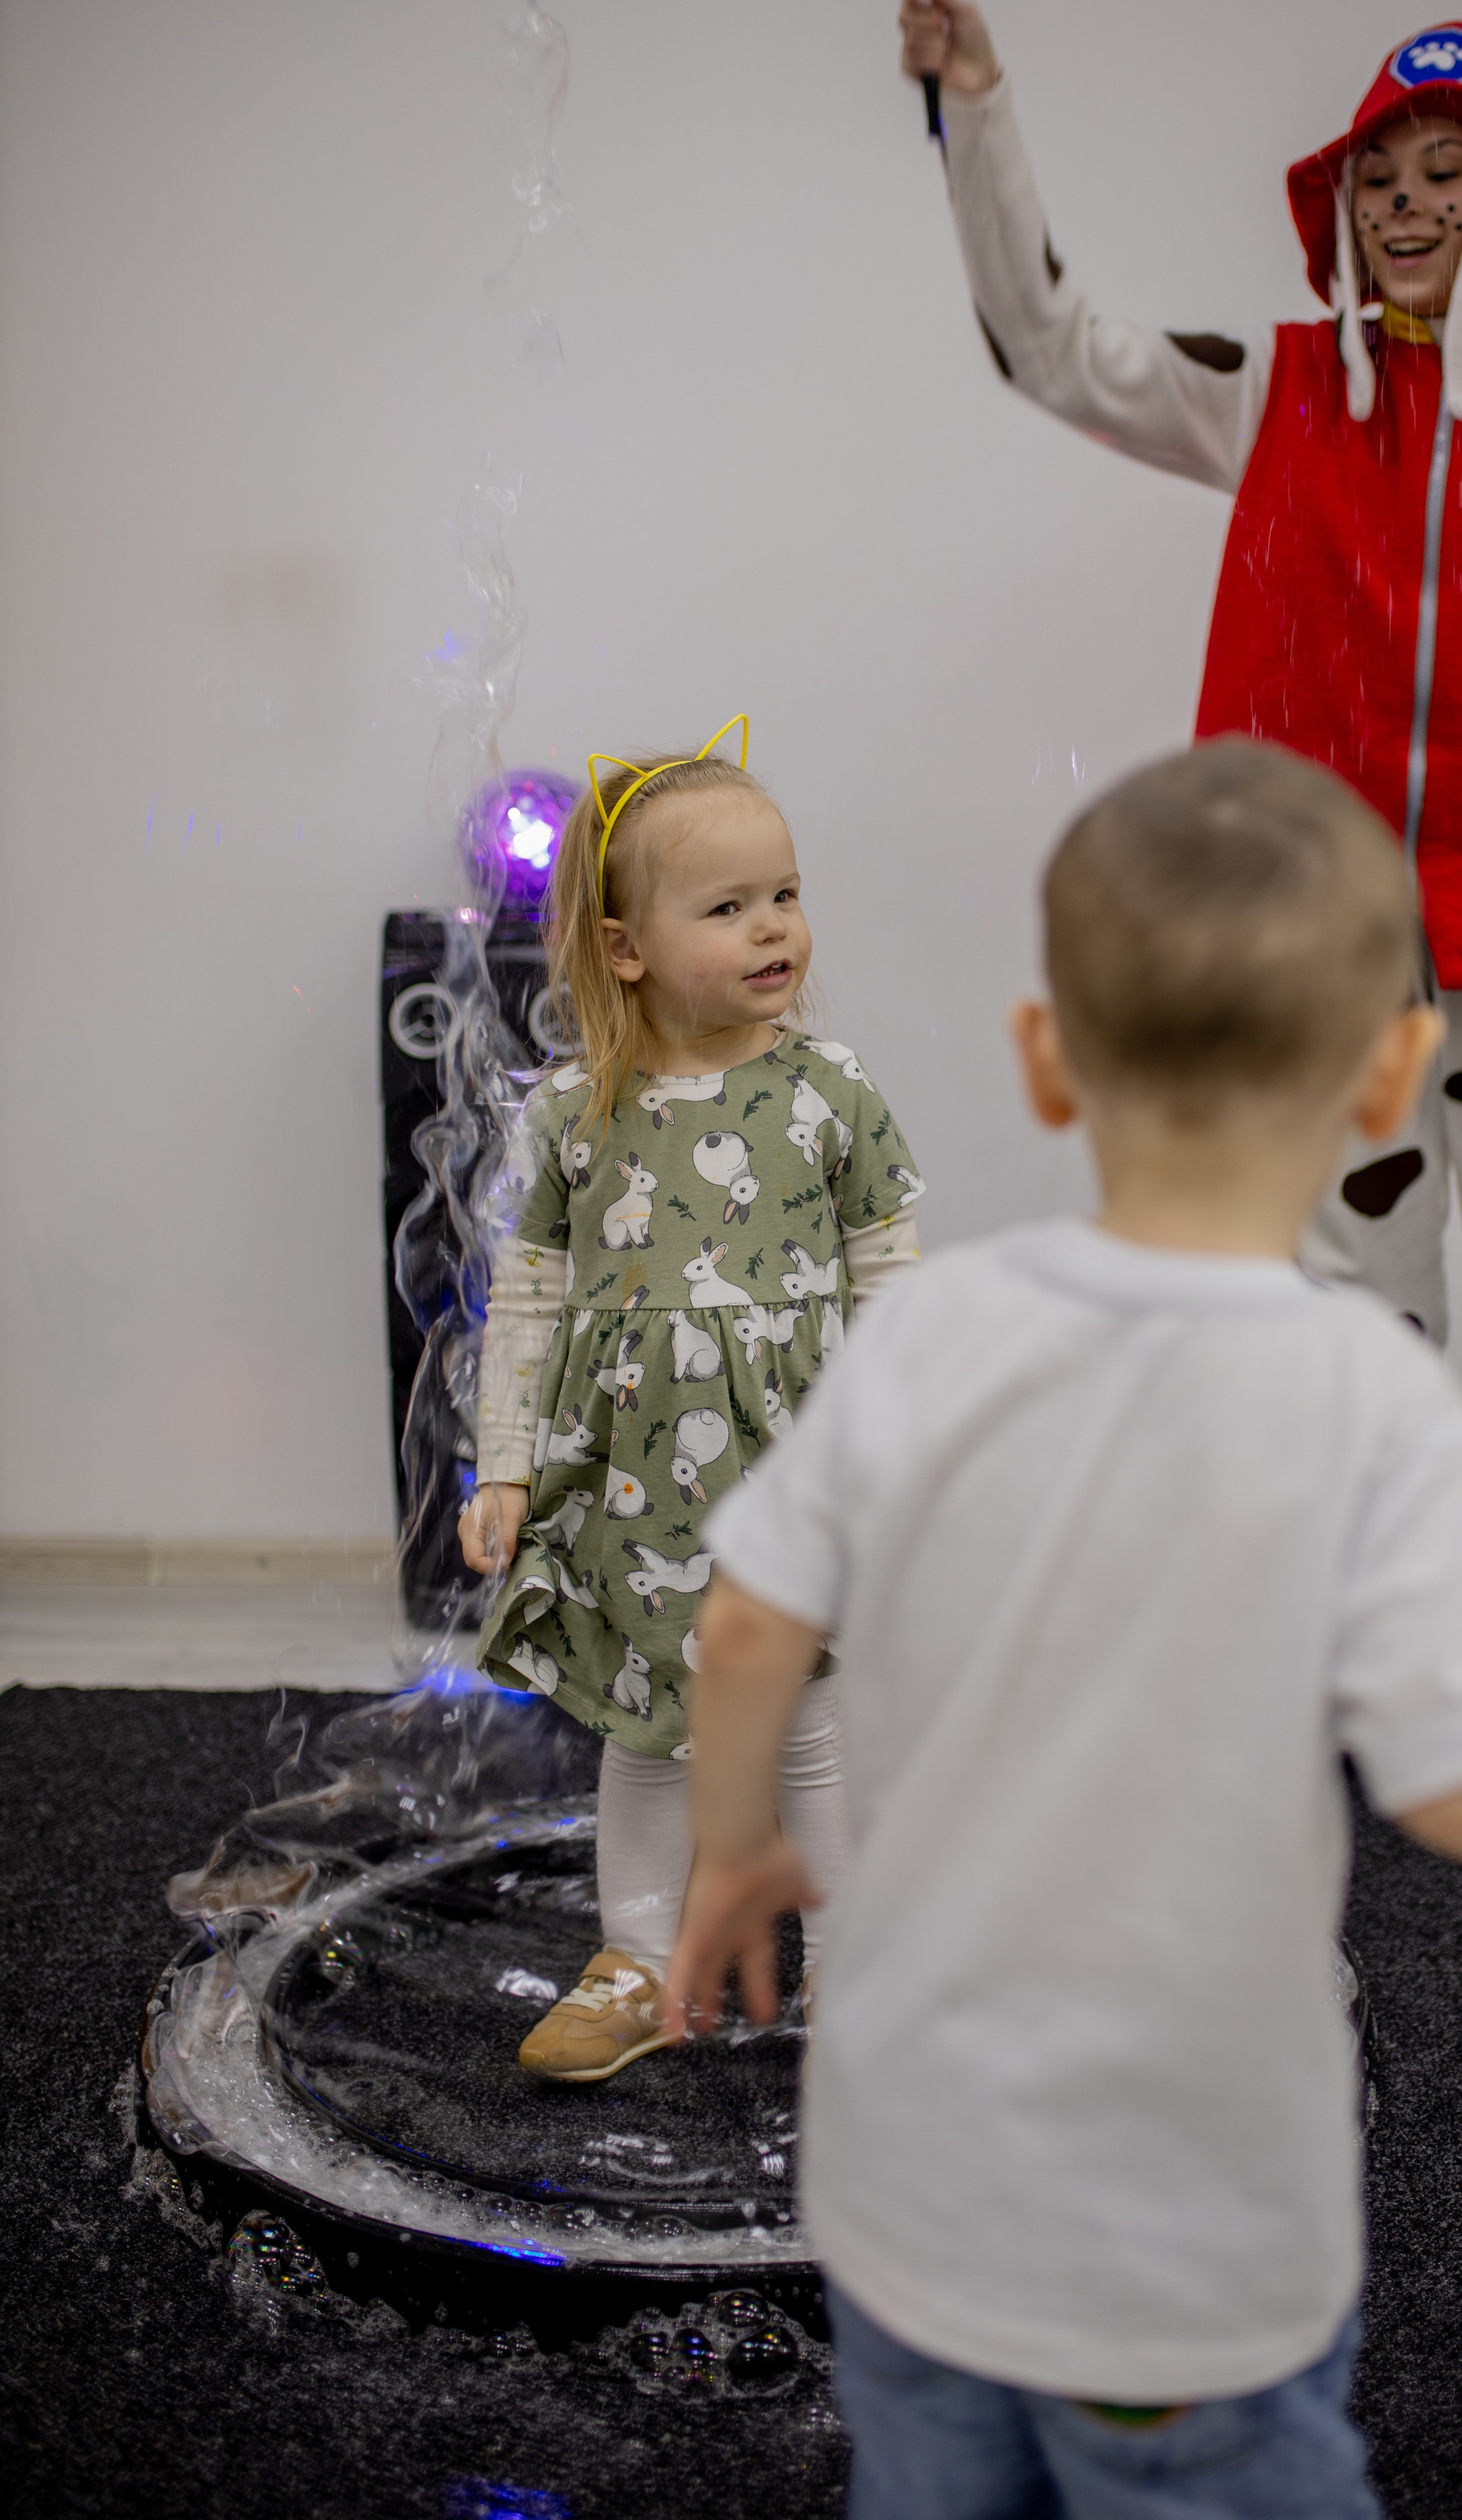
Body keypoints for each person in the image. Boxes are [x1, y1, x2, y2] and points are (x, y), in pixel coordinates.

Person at [662, 741, 1462, 2520]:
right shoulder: (1368, 1400)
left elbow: (745, 1630)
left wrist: (733, 1849)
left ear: (1045, 1061)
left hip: (904, 2201)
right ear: (1391, 1078)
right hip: (1179, 2251)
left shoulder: (930, 1334)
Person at [895, 0, 1462, 1734]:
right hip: (1315, 943)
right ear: (1339, 208)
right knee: (1340, 1318)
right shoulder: (1274, 390)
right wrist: (978, 108)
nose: (1411, 205)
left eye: (1448, 171)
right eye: (1380, 178)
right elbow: (1051, 346)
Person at [457, 724, 924, 2080]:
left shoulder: (830, 1094)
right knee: (645, 1734)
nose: (777, 929)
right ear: (627, 950)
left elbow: (892, 1277)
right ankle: (638, 1960)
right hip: (629, 1492)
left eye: (785, 894)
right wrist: (504, 1468)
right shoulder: (573, 1114)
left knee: (814, 1725)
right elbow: (531, 1299)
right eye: (729, 907)